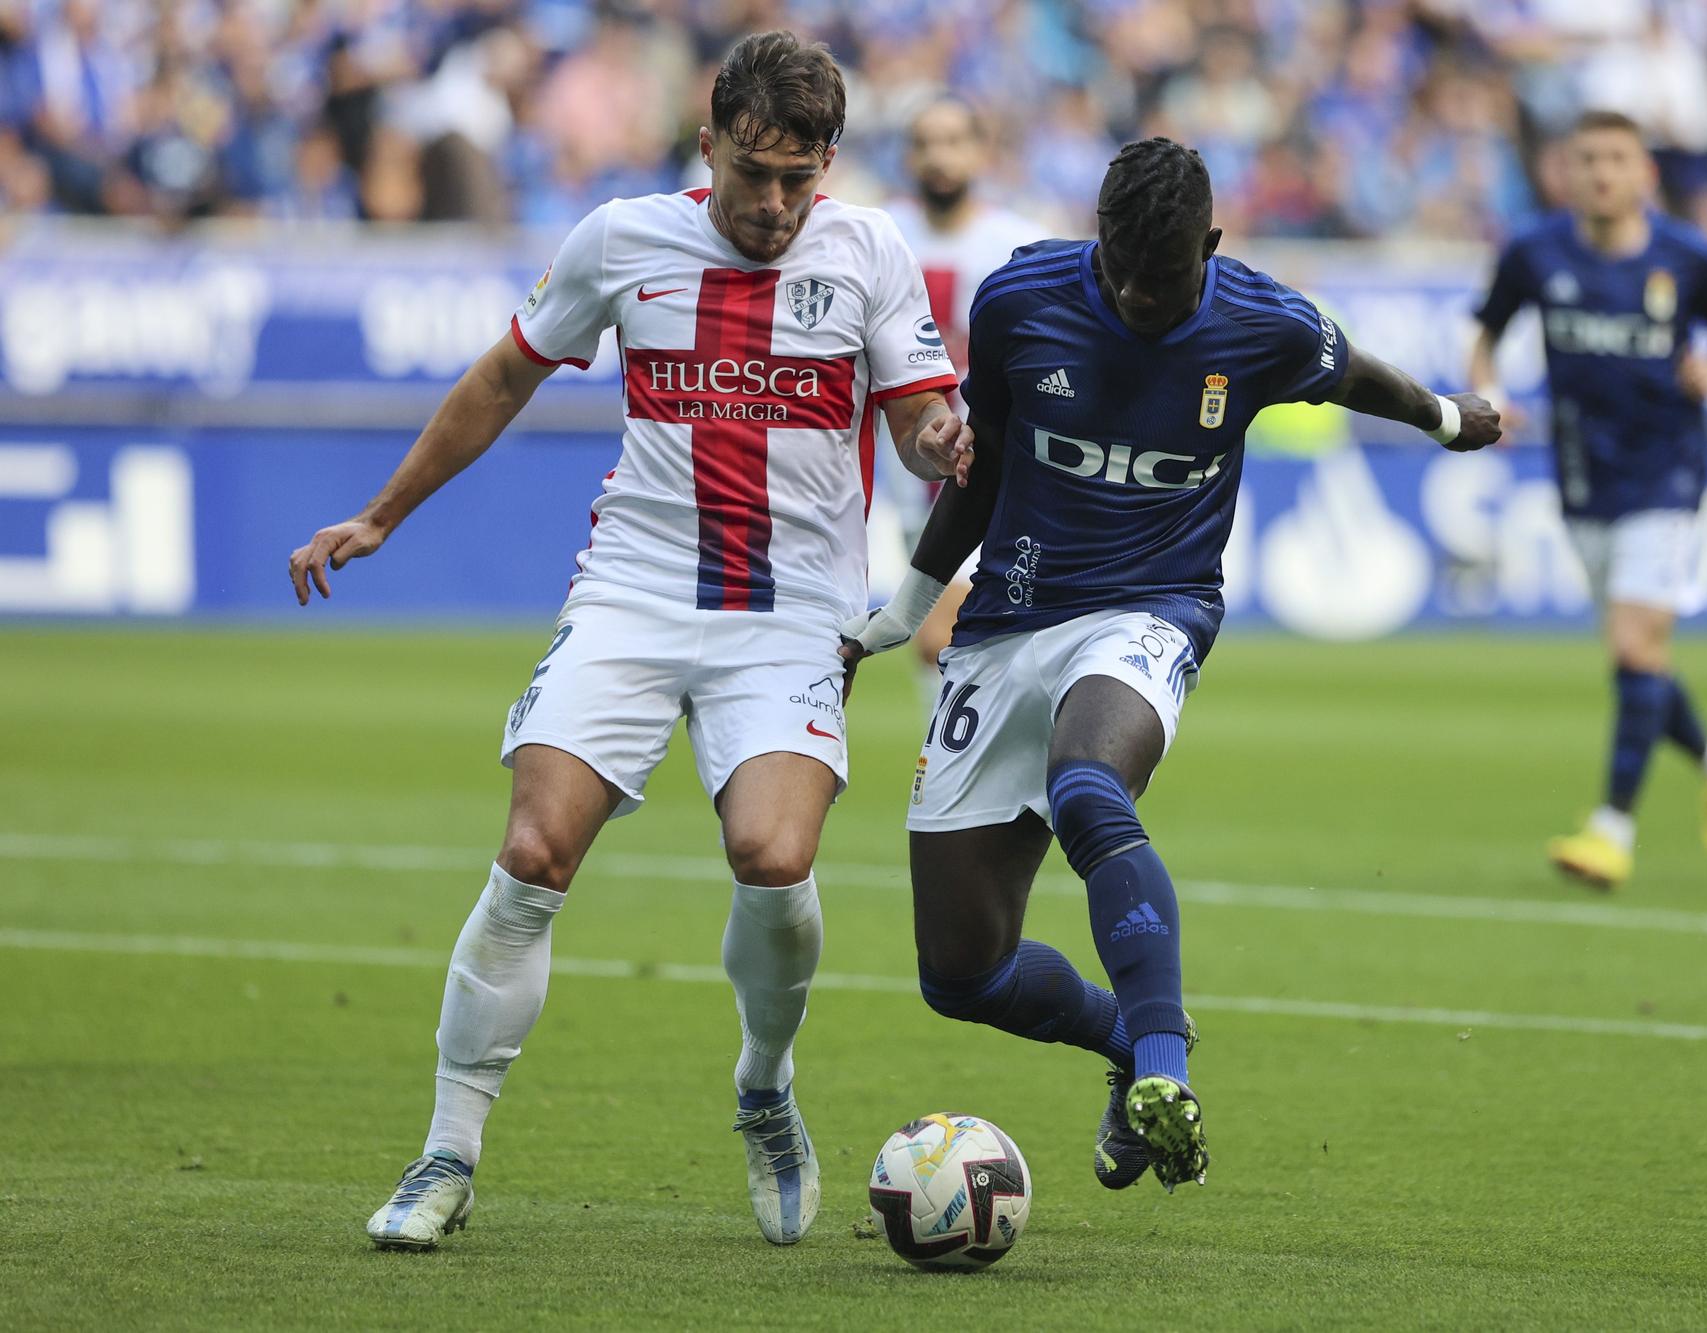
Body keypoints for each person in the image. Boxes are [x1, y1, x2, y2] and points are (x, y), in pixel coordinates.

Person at [286, 31, 968, 1250]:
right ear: (706, 143)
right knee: (535, 849)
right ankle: (446, 1152)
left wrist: (941, 445)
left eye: (796, 180)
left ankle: (763, 1084)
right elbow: (504, 376)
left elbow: (917, 417)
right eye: (752, 173)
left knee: (770, 855)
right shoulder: (620, 239)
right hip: (635, 591)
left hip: (792, 612)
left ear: (826, 167)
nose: (771, 204)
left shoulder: (868, 251)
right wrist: (382, 514)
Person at [842, 138, 1500, 1192]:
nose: (1139, 298)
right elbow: (982, 463)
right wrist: (906, 610)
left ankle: (1161, 1068)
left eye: (1164, 280)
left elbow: (1349, 373)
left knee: (1087, 784)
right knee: (959, 974)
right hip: (1008, 620)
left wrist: (1441, 417)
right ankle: (1121, 1044)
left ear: (1211, 246)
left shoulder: (1259, 321)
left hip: (1151, 609)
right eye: (1122, 273)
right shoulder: (1019, 301)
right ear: (1097, 238)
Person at [1467, 109, 1707, 892]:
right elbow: (1486, 334)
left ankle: (1611, 830)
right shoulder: (1533, 252)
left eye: (1617, 160)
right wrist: (1489, 394)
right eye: (1586, 158)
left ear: (1644, 174)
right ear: (1566, 171)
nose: (1601, 173)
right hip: (1582, 476)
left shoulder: (1688, 257)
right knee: (1641, 660)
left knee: (1633, 648)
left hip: (1668, 473)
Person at [878, 96, 1044, 680]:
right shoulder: (879, 236)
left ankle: (954, 765)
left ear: (980, 151)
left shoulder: (1020, 244)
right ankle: (943, 766)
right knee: (943, 657)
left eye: (953, 141)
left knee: (944, 637)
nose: (938, 157)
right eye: (925, 143)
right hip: (905, 473)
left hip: (995, 471)